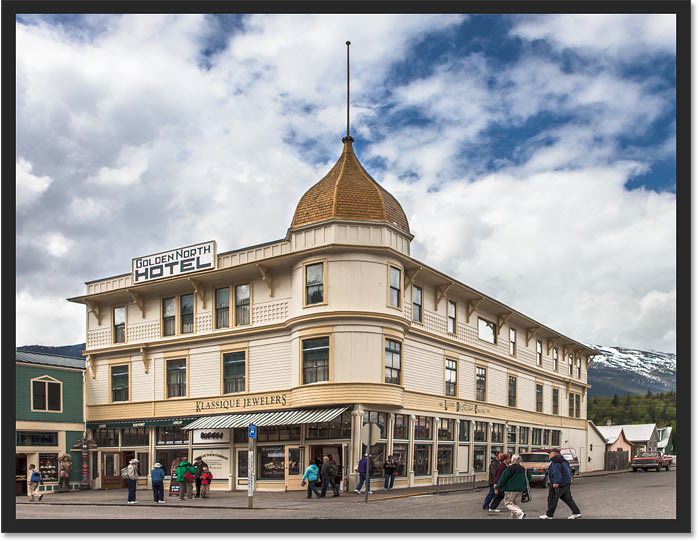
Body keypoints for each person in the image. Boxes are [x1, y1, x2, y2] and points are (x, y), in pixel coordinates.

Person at [539, 448, 582, 519]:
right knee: (567, 498)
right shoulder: (564, 460)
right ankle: (576, 512)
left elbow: (557, 472)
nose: (549, 455)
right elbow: (567, 471)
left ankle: (549, 515)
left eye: (550, 453)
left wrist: (556, 482)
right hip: (566, 483)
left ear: (555, 454)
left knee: (552, 498)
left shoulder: (556, 461)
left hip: (559, 484)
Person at [496, 454, 531, 519]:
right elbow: (529, 478)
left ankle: (520, 513)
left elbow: (503, 478)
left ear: (512, 461)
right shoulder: (524, 469)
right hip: (520, 489)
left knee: (508, 503)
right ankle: (515, 517)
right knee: (516, 505)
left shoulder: (509, 469)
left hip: (510, 489)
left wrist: (497, 487)